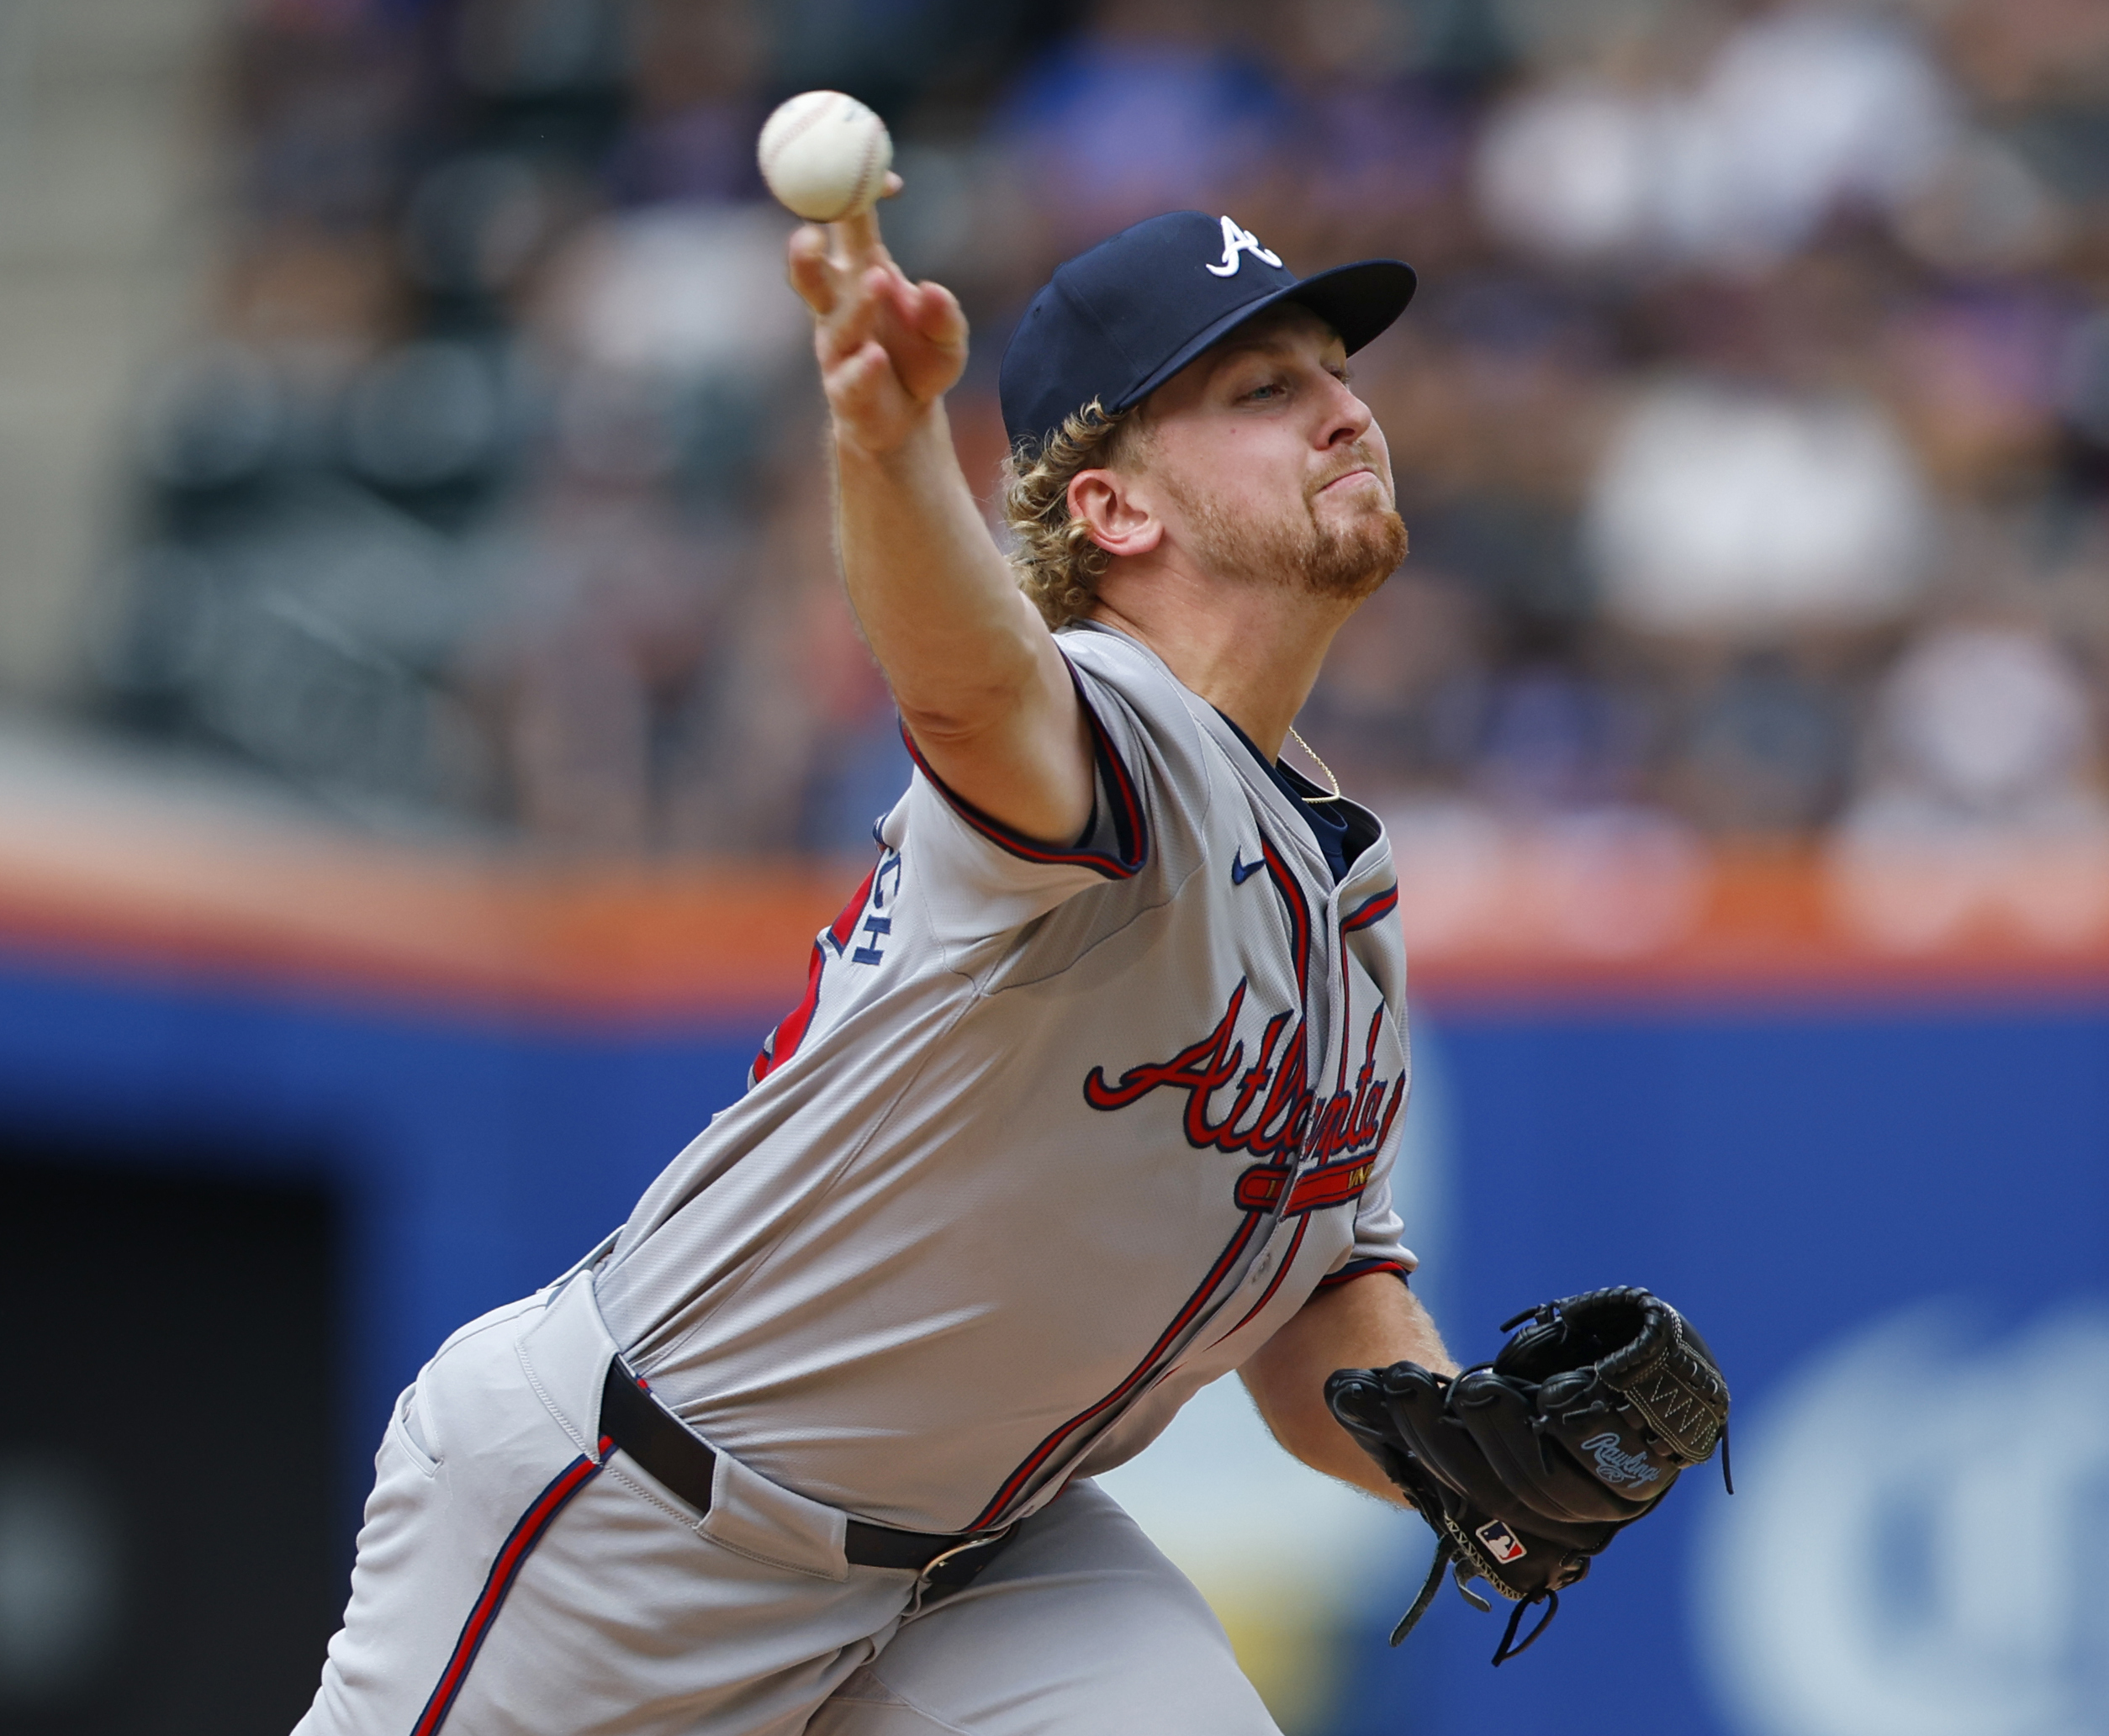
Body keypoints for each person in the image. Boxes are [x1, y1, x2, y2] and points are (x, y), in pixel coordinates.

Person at [295, 198, 1446, 1735]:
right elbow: (970, 690)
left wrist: (1459, 1435)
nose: (1343, 406)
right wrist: (888, 442)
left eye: (1333, 369)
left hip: (986, 1559)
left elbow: (1322, 1309)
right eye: (1263, 389)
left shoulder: (1337, 883)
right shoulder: (1113, 724)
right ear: (1110, 509)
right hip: (643, 1521)